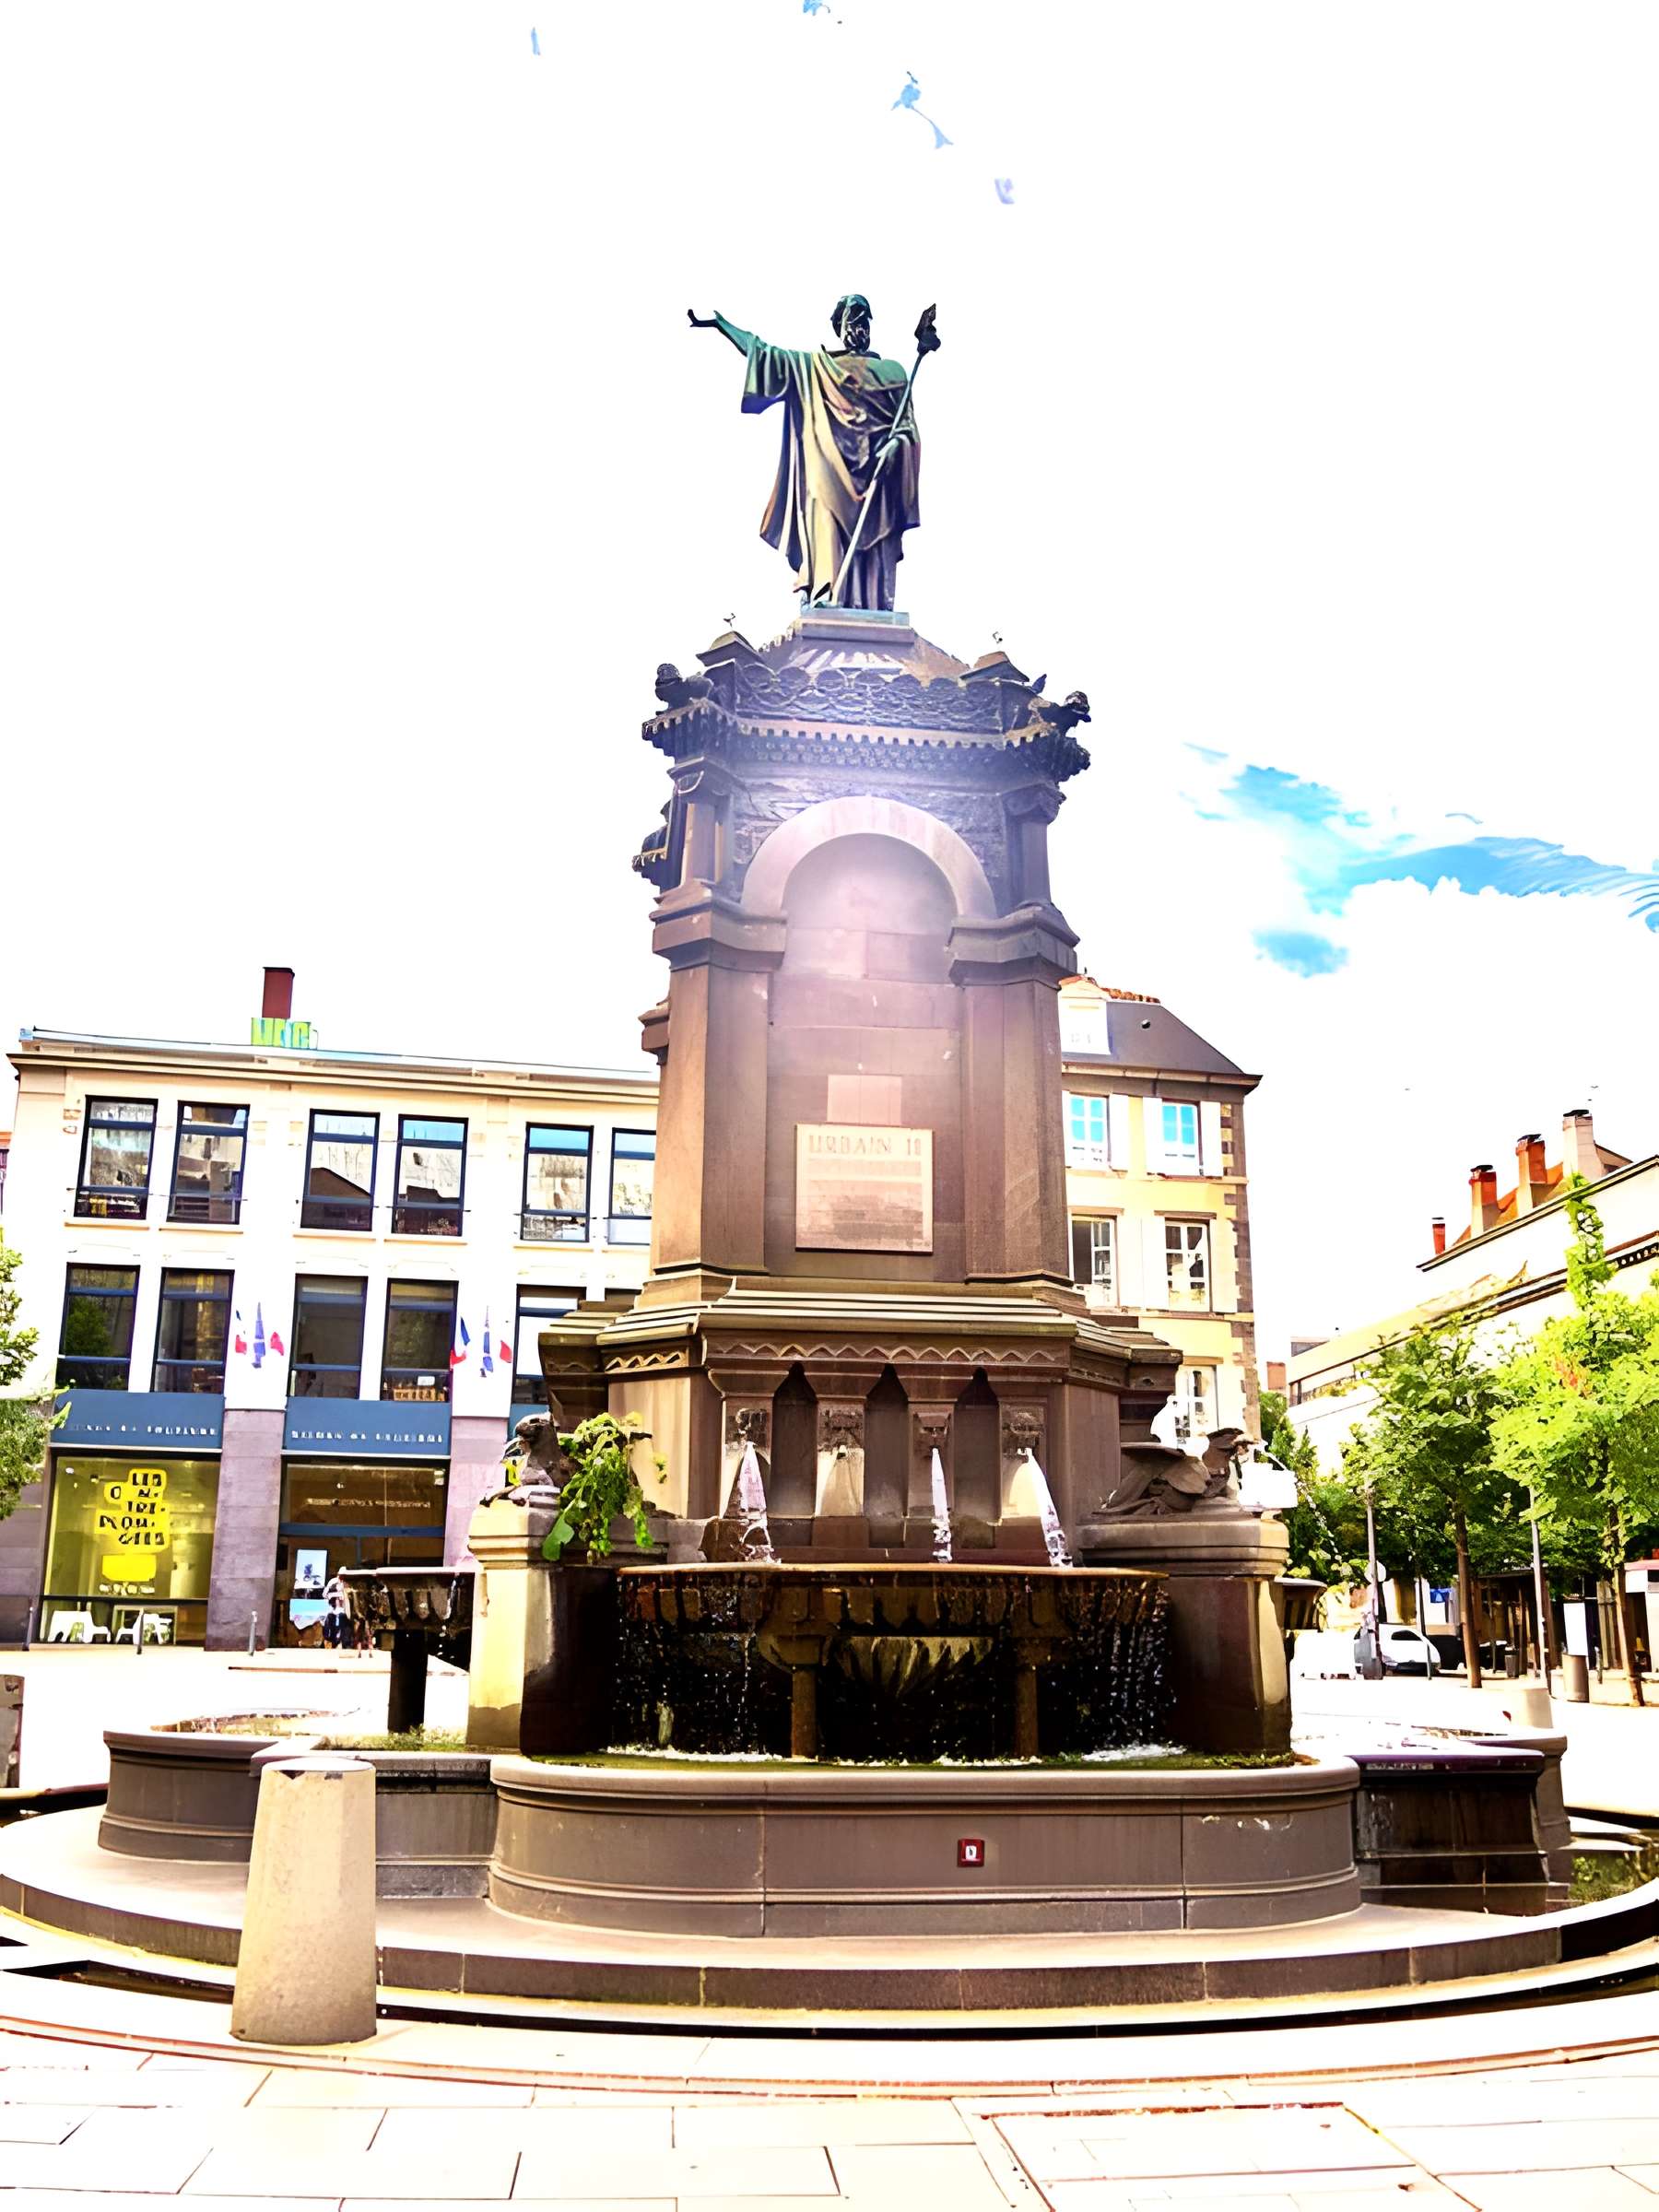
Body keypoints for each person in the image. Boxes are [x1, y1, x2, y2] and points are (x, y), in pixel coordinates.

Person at [693, 294, 920, 609]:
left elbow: (907, 427)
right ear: (839, 326)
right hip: (827, 462)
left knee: (872, 538)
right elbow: (765, 354)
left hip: (876, 469)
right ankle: (825, 594)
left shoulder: (893, 372)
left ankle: (868, 604)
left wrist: (897, 446)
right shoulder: (814, 367)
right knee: (821, 512)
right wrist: (723, 325)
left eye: (864, 318)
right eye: (851, 318)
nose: (858, 324)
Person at [322, 1571, 350, 1652]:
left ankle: (341, 1643)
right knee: (329, 1626)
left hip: (342, 1611)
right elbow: (324, 1594)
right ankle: (330, 1641)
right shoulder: (332, 1582)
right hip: (332, 1610)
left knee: (343, 1627)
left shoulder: (346, 1584)